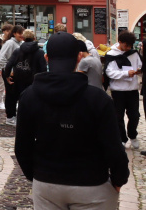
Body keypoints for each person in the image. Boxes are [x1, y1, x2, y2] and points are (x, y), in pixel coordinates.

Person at [15, 32, 129, 209]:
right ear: (78, 57)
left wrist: (36, 175)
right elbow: (114, 146)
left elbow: (22, 146)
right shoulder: (98, 99)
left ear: (46, 58)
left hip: (47, 184)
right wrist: (119, 179)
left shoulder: (29, 97)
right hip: (92, 185)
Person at [106, 30, 143, 149]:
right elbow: (110, 73)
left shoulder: (134, 53)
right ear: (120, 42)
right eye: (126, 45)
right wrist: (126, 73)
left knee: (135, 115)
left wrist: (138, 70)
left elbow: (140, 65)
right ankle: (122, 138)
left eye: (130, 46)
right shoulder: (111, 54)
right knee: (118, 116)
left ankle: (132, 135)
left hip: (132, 90)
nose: (128, 48)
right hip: (118, 90)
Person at [3, 29, 47, 126]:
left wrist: (7, 76)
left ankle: (11, 118)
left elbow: (9, 64)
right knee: (33, 100)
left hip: (18, 79)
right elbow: (43, 68)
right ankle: (31, 118)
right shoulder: (39, 52)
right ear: (34, 38)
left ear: (23, 38)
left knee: (12, 98)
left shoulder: (18, 50)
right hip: (33, 81)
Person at [0, 25, 25, 125]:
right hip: (10, 73)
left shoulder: (21, 43)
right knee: (10, 95)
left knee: (16, 94)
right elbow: (2, 58)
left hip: (18, 73)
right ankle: (10, 117)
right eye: (19, 33)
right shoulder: (10, 43)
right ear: (14, 33)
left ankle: (13, 115)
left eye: (23, 33)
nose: (21, 35)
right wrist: (8, 71)